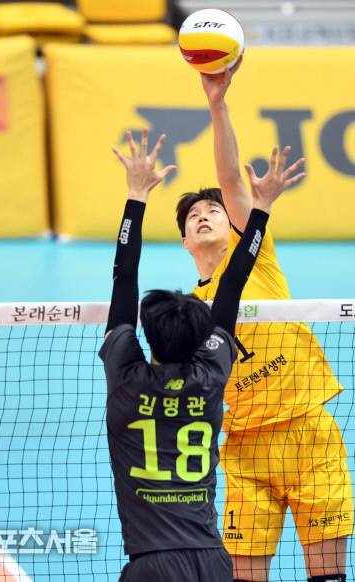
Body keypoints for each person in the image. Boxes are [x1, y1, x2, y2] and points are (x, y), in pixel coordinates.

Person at [174, 57, 352, 582]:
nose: (204, 216)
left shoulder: (255, 258)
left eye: (213, 211)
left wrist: (217, 103)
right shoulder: (185, 312)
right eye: (192, 216)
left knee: (328, 578)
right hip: (245, 448)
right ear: (184, 242)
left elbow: (231, 178)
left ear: (233, 226)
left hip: (310, 433)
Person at [99, 129, 298, 581]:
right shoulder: (210, 378)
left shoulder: (128, 380)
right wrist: (262, 208)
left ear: (146, 336)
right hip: (212, 561)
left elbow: (123, 278)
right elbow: (234, 283)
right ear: (200, 336)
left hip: (152, 565)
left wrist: (136, 195)